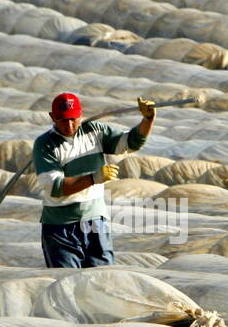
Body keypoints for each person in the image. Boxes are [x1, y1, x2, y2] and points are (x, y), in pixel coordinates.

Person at [32, 92, 156, 268]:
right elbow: (56, 187)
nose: (69, 125)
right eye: (62, 120)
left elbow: (131, 142)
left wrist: (148, 120)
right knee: (67, 283)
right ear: (52, 117)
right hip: (60, 227)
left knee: (102, 279)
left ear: (81, 115)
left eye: (73, 119)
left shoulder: (95, 131)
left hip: (95, 221)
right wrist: (94, 178)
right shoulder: (45, 144)